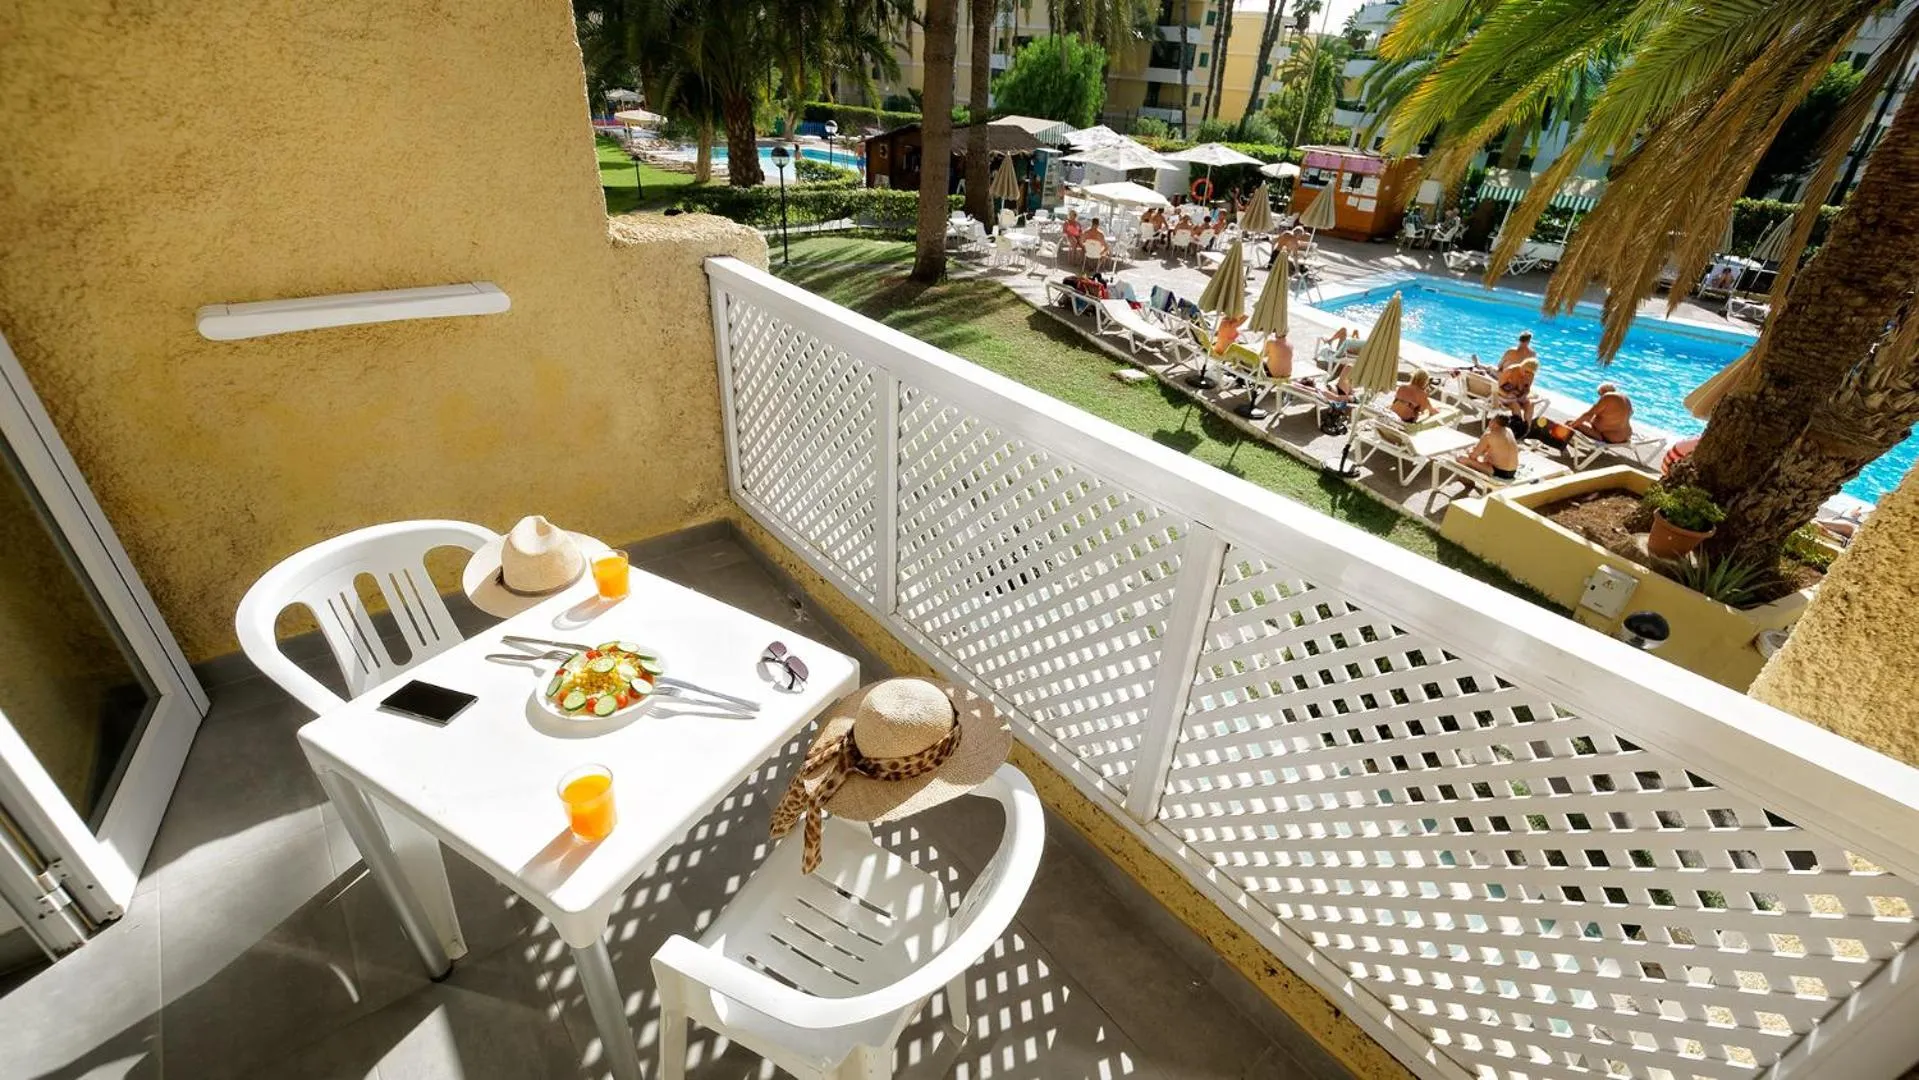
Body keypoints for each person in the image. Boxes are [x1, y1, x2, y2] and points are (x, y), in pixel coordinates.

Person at [1457, 414, 1521, 480]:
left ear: (1493, 421)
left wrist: (1469, 450)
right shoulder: (1509, 431)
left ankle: (1468, 480)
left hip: (1498, 471)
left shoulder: (1489, 435)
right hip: (1512, 471)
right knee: (1485, 456)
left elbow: (1473, 456)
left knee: (1461, 458)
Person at [1569, 382, 1634, 444]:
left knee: (1570, 422)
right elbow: (1629, 413)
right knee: (1583, 422)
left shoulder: (1608, 396)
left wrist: (1571, 426)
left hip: (1609, 437)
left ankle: (1566, 444)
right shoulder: (1625, 398)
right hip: (1626, 435)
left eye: (1600, 394)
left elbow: (1587, 415)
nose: (1600, 397)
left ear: (1603, 391)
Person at [1497, 357, 1540, 426]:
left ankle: (1526, 428)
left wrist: (1523, 395)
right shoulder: (1510, 370)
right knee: (1515, 405)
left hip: (1517, 396)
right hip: (1503, 394)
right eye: (1526, 371)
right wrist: (1507, 395)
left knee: (1530, 405)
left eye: (1530, 372)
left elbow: (1527, 389)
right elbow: (1498, 387)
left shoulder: (1531, 375)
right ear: (1522, 365)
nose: (1527, 374)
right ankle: (1517, 427)